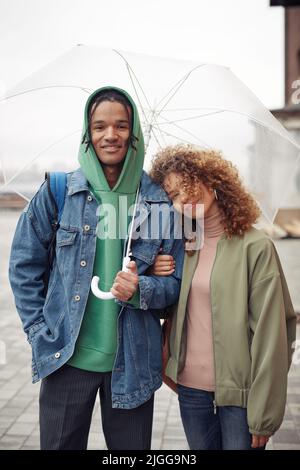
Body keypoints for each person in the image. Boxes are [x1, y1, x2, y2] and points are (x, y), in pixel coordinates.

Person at [8, 87, 184, 450]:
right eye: (100, 126)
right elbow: (24, 266)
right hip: (66, 358)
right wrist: (40, 331)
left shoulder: (157, 201)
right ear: (88, 133)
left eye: (121, 125)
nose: (110, 135)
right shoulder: (58, 191)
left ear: (133, 133)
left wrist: (142, 291)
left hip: (133, 364)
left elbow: (177, 286)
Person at [149, 144, 296, 450]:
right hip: (190, 390)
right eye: (173, 195)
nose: (184, 197)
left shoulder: (256, 247)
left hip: (241, 395)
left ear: (213, 180)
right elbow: (169, 311)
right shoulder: (181, 248)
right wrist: (155, 274)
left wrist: (265, 412)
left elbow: (274, 334)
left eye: (189, 184)